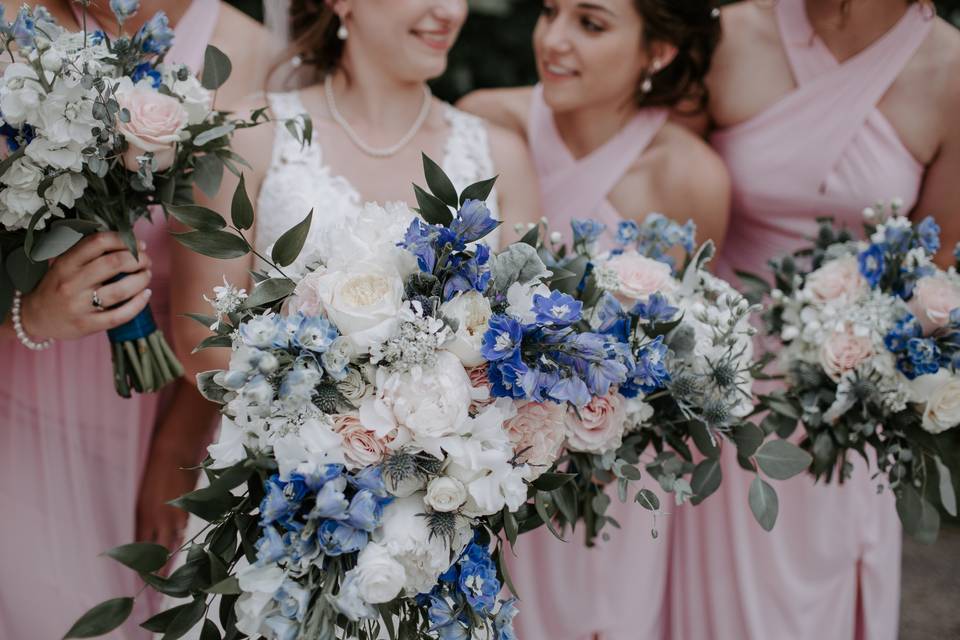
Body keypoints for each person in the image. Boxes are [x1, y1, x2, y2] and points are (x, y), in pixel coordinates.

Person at [161, 2, 539, 634]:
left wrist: (432, 428)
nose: (449, 10)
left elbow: (524, 343)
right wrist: (354, 408)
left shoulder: (500, 155)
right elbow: (198, 336)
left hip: (437, 521)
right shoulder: (252, 137)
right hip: (278, 500)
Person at [668, 1, 960, 638]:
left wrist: (878, 376)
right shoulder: (729, 33)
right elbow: (661, 178)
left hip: (847, 397)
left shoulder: (950, 70)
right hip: (716, 381)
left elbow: (937, 269)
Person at [0, 2, 273, 638]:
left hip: (167, 402)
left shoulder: (239, 43)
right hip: (23, 401)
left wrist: (179, 446)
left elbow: (228, 298)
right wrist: (31, 312)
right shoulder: (13, 18)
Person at [458, 1, 727, 638]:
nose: (553, 40)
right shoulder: (482, 126)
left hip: (615, 484)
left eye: (591, 23)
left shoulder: (690, 176)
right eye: (550, 12)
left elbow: (680, 356)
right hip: (487, 470)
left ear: (656, 51)